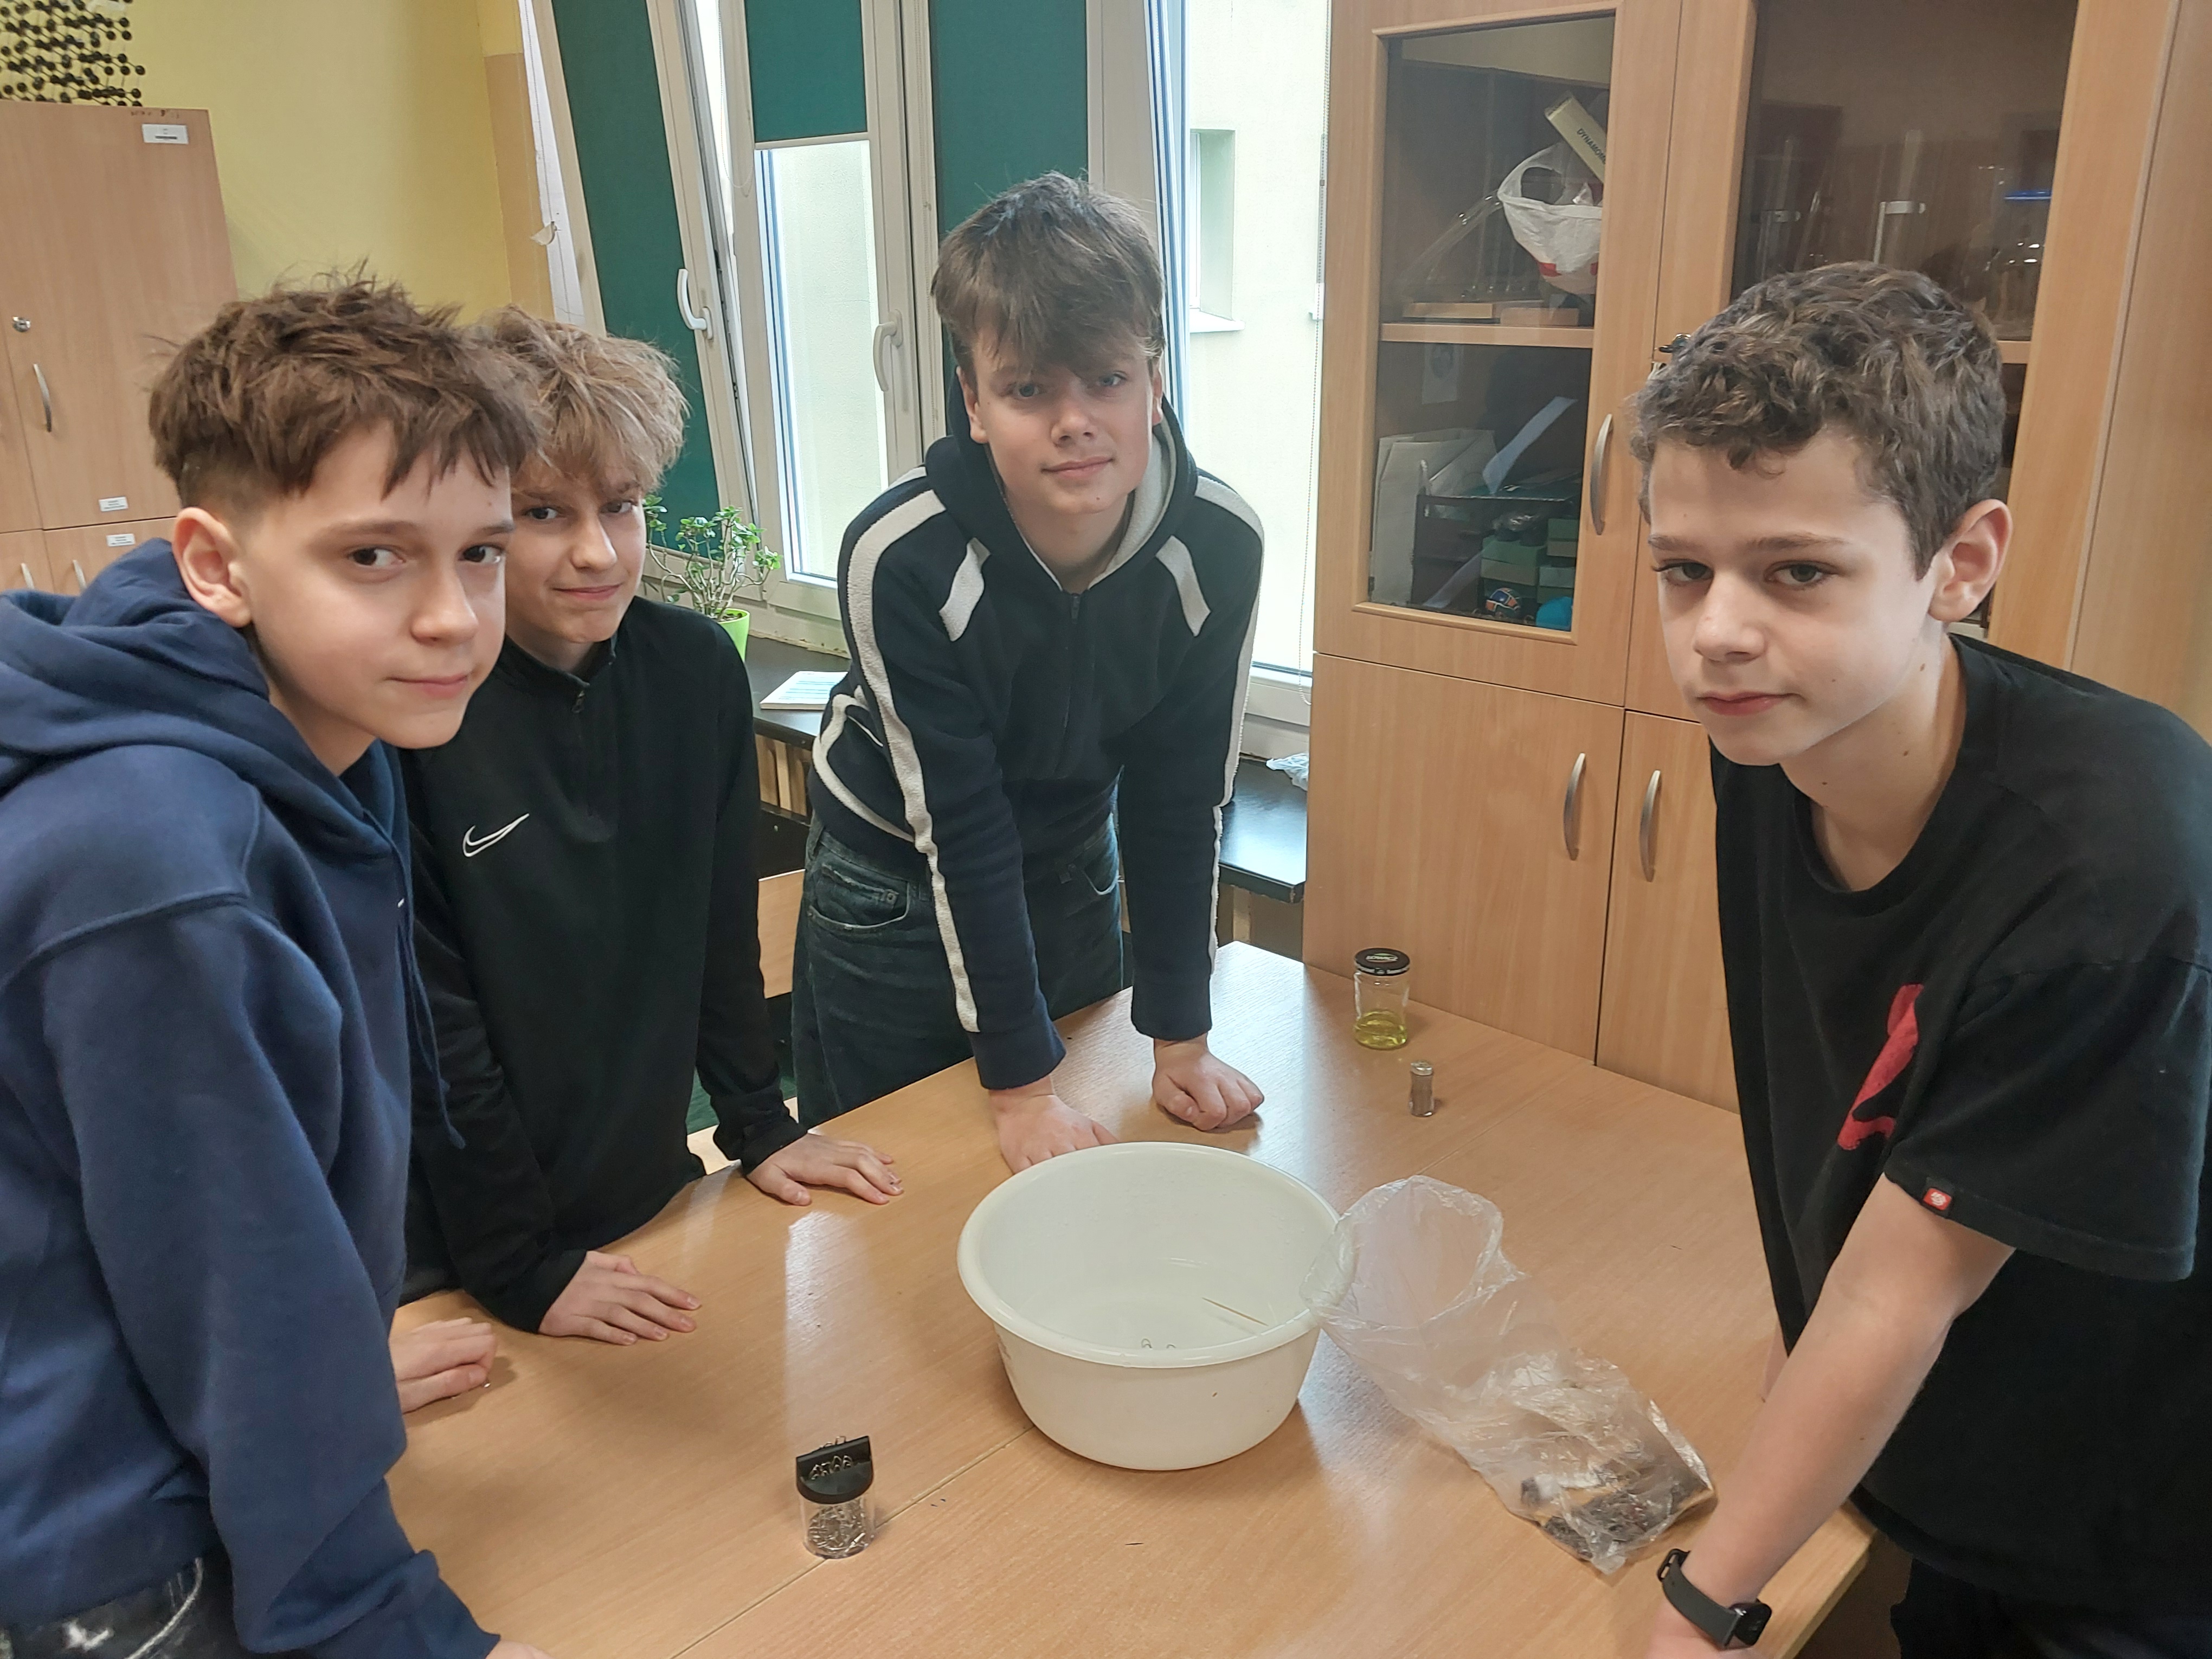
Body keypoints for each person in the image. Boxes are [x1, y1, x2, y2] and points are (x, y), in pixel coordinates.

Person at [1629, 263, 2212, 1657]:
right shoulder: (1778, 735)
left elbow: (1909, 1283)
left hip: (2140, 1504)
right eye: (1685, 570)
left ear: (1962, 563)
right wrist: (1810, 1347)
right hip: (1956, 1439)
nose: (1718, 632)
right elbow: (1867, 1100)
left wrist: (1705, 1604)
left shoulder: (2109, 856)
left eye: (1799, 571)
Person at [0, 280, 550, 1658]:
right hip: (108, 1543)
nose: (453, 618)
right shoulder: (160, 860)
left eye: (481, 552)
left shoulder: (313, 729)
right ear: (216, 563)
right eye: (374, 556)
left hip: (179, 1421)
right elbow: (234, 1287)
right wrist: (380, 1622)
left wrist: (341, 1352)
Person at [402, 310, 898, 1345]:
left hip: (647, 1190)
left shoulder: (693, 671)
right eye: (544, 513)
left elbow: (717, 922)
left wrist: (758, 1124)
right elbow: (434, 1031)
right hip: (464, 1245)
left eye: (621, 507)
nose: (596, 552)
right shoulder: (421, 711)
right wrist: (520, 1267)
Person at [793, 173, 1267, 1171]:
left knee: (1084, 1177)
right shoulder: (901, 556)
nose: (1074, 421)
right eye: (1027, 390)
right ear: (974, 401)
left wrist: (1181, 1040)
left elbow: (1181, 798)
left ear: (1155, 381)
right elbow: (960, 826)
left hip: (1070, 864)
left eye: (1107, 379)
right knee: (902, 1193)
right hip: (894, 886)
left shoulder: (1221, 544)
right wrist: (1019, 1091)